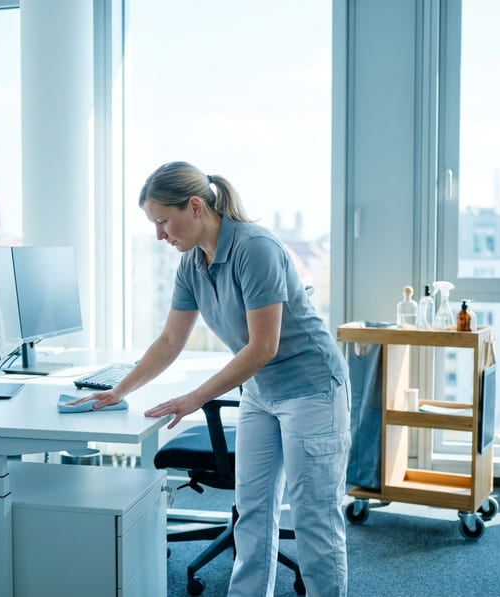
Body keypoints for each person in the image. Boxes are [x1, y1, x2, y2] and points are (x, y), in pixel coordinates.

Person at [72, 161, 351, 597]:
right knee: (252, 513)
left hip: (312, 388)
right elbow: (169, 340)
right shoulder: (192, 264)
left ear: (196, 207)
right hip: (262, 393)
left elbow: (263, 347)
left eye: (163, 221)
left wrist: (194, 398)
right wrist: (120, 388)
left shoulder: (254, 248)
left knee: (314, 515)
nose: (160, 235)